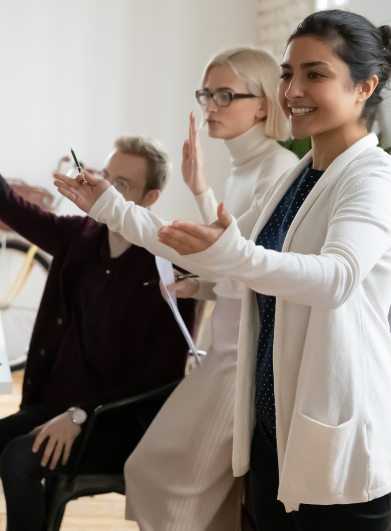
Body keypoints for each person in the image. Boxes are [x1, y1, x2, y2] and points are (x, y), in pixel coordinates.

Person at [55, 10, 391, 531]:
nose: (293, 89)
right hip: (274, 429)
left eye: (316, 74)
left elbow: (335, 279)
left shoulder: (374, 179)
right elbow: (208, 248)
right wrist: (112, 207)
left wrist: (230, 259)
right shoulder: (296, 179)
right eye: (288, 73)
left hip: (336, 443)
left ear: (365, 87)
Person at [0, 62, 195, 531]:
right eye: (106, 175)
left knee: (17, 459)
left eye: (123, 184)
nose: (105, 188)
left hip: (116, 423)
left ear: (151, 199)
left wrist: (80, 414)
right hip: (53, 408)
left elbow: (164, 372)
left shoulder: (170, 264)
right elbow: (6, 204)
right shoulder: (79, 236)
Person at [123, 47, 298, 531]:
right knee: (175, 488)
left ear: (263, 104)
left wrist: (123, 212)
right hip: (218, 351)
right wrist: (198, 286)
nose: (211, 106)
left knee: (170, 489)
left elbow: (254, 270)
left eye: (225, 95)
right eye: (207, 93)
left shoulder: (278, 169)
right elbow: (234, 262)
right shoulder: (244, 168)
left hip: (240, 362)